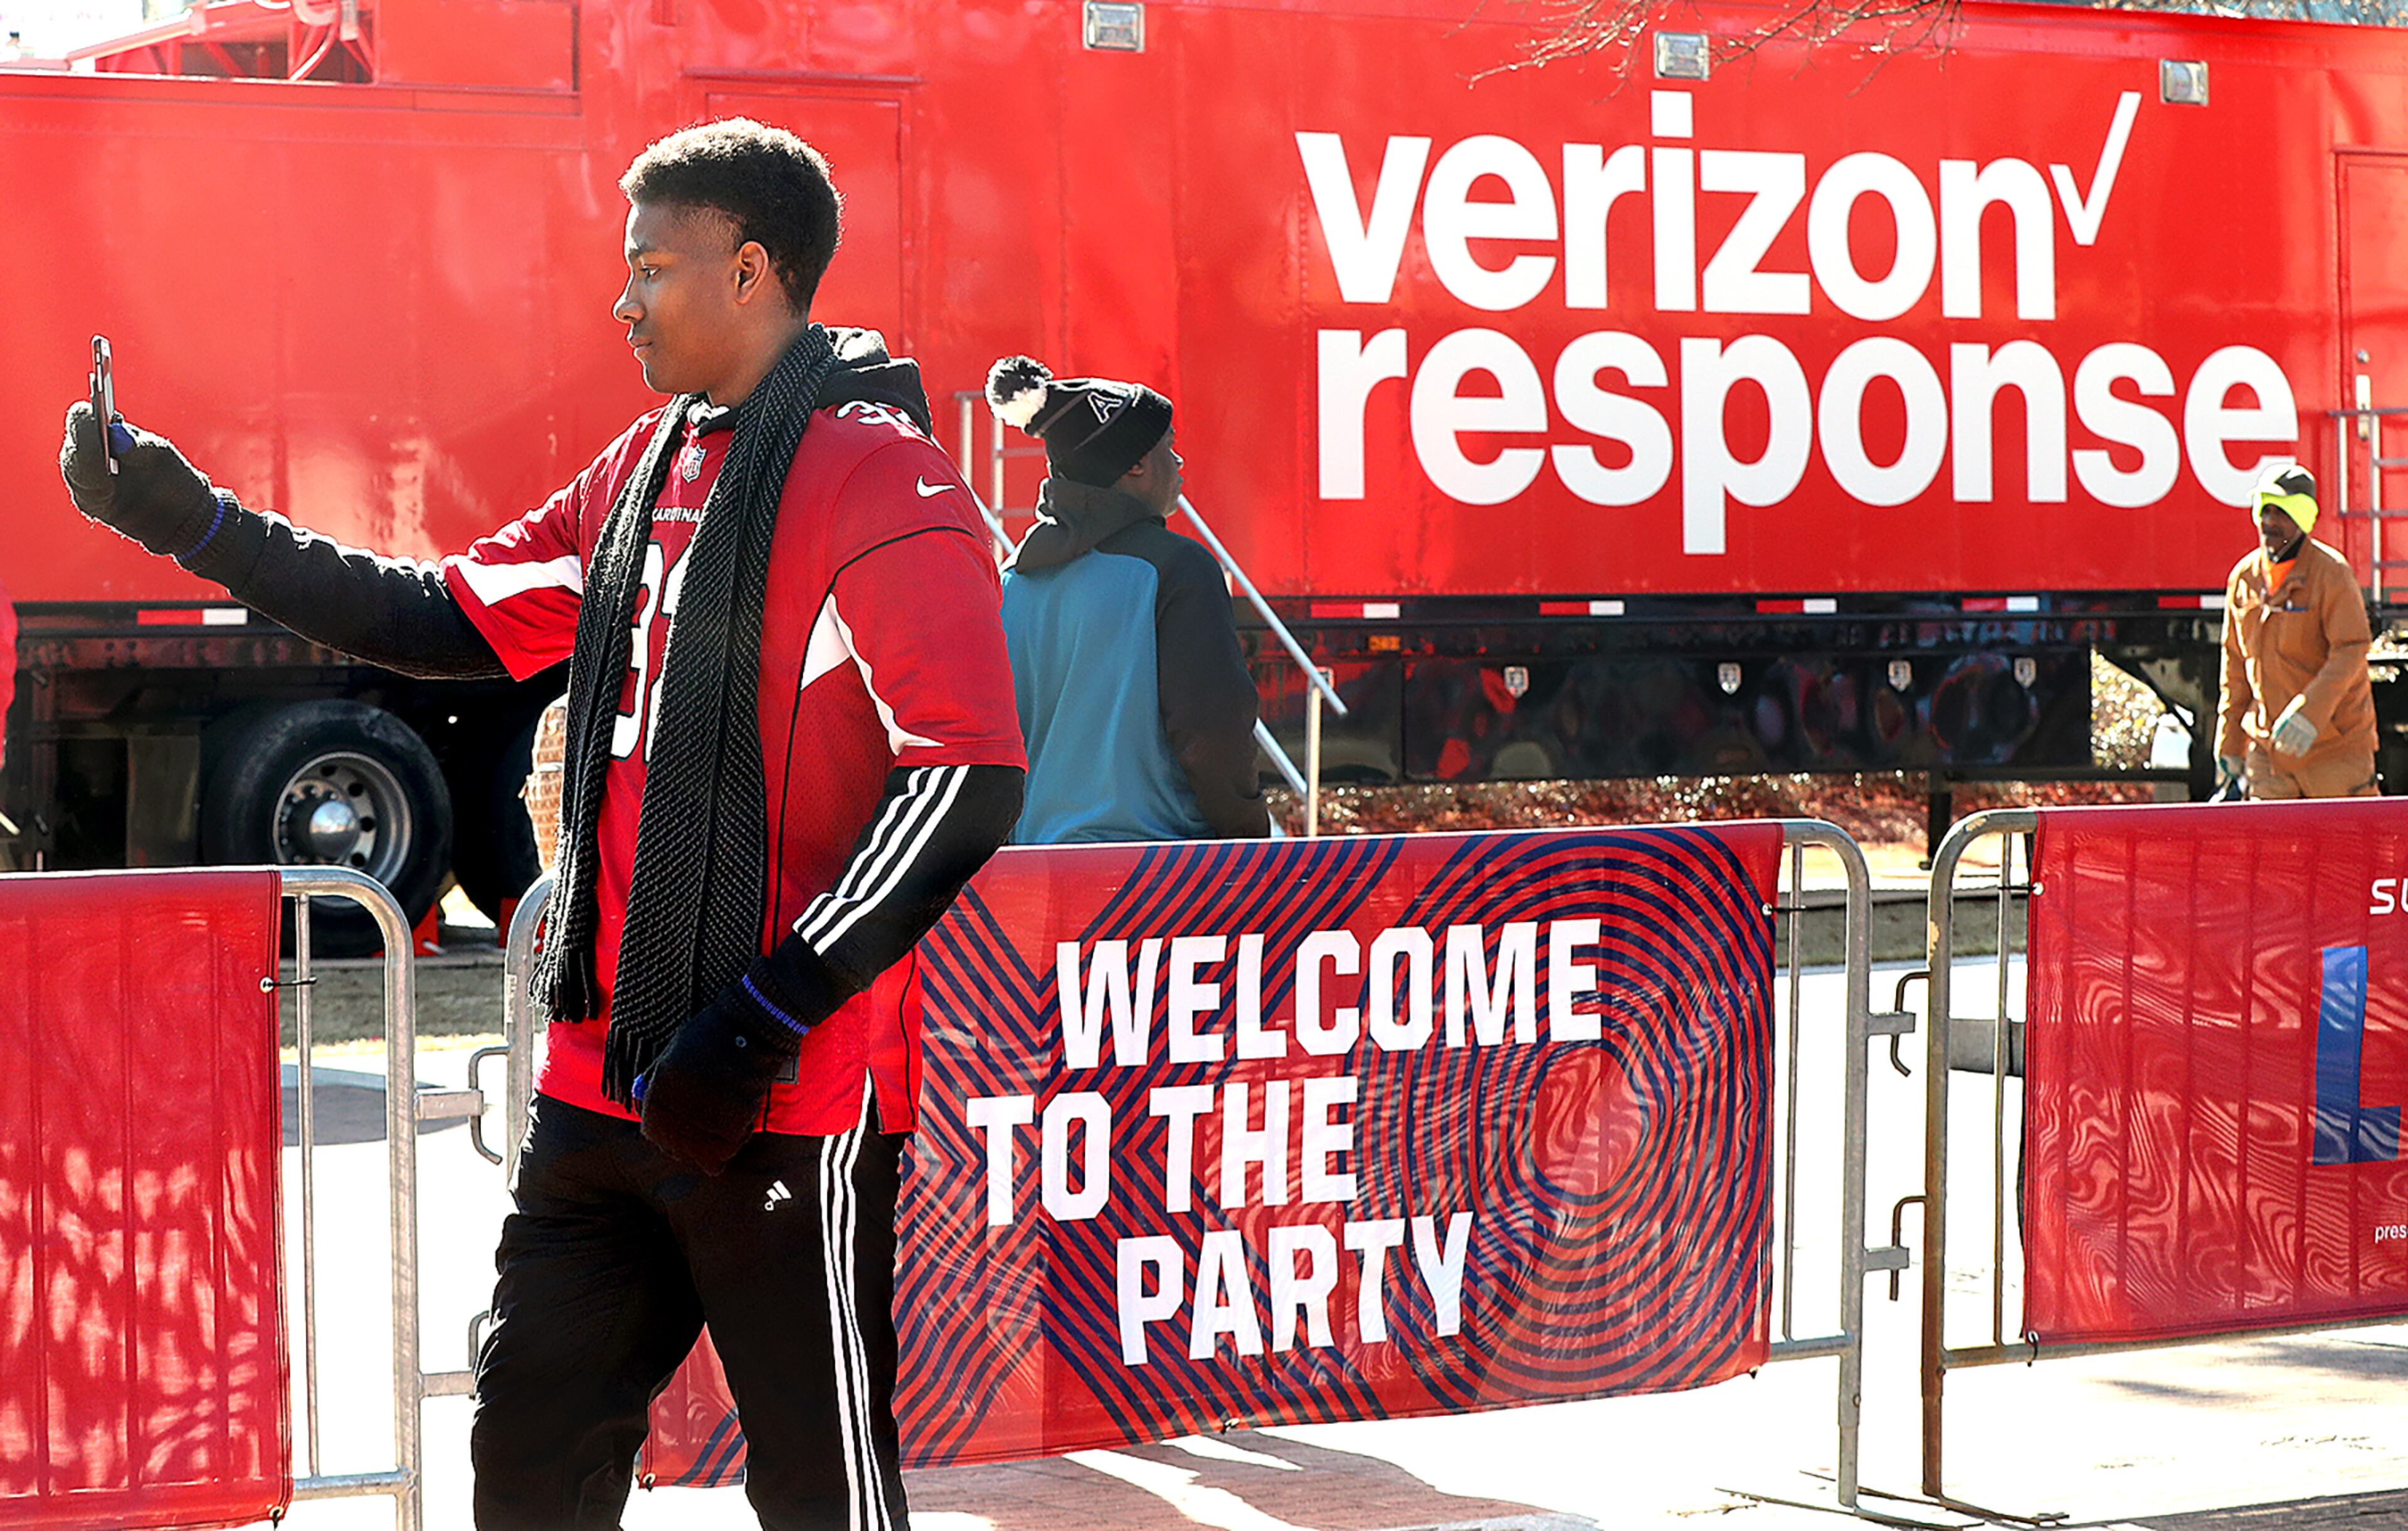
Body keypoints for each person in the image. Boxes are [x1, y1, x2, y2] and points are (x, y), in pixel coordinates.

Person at [62, 118, 1025, 1531]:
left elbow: (966, 779)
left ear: (751, 269)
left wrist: (761, 1012)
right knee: (526, 1461)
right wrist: (187, 519)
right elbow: (434, 616)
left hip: (782, 1092)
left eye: (650, 266)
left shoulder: (887, 482)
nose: (620, 300)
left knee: (821, 1489)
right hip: (599, 1076)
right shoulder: (639, 470)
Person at [984, 355, 1270, 843]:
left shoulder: (1011, 581)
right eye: (1169, 447)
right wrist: (1247, 838)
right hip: (1152, 880)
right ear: (1136, 463)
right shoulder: (1179, 570)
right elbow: (1213, 735)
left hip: (1032, 873)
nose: (1178, 463)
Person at [2215, 462, 2379, 800]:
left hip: (2336, 753)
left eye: (2281, 512)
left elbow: (2352, 649)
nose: (2269, 522)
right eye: (2265, 510)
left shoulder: (2332, 574)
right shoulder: (2244, 578)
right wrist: (2229, 741)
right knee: (2274, 852)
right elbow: (2234, 664)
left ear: (2303, 518)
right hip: (2269, 756)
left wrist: (2310, 713)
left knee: (2344, 849)